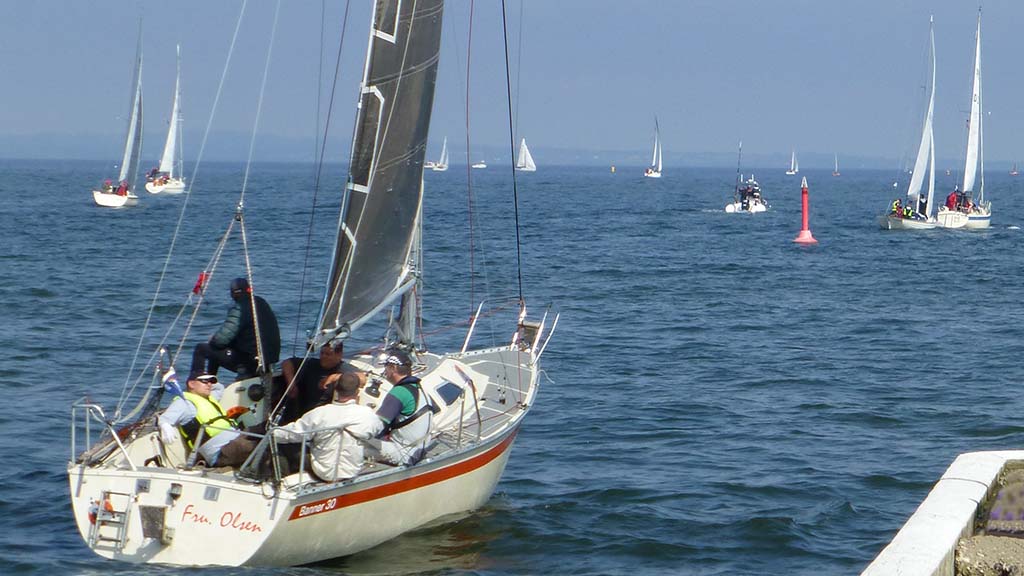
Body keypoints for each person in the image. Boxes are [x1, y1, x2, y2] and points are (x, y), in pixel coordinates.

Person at [271, 372, 382, 482]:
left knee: (281, 443)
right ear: (357, 392)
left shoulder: (319, 413)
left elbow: (291, 434)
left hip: (323, 472)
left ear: (336, 390)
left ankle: (279, 481)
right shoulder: (367, 415)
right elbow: (378, 429)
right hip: (351, 471)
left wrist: (271, 432)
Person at [158, 373, 258, 467]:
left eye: (211, 381)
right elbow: (165, 418)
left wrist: (209, 383)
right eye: (205, 381)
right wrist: (165, 425)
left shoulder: (210, 397)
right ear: (191, 384)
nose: (209, 384)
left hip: (237, 437)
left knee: (266, 427)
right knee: (262, 445)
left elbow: (219, 388)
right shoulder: (184, 403)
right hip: (221, 451)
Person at [191, 277, 280, 380]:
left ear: (233, 294)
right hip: (268, 360)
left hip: (250, 361)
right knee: (216, 351)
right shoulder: (261, 302)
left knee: (202, 349)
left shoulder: (240, 307)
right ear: (249, 289)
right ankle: (211, 380)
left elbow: (221, 340)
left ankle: (199, 383)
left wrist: (213, 340)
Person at [373, 349, 436, 466]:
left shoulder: (399, 392)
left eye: (386, 367)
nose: (384, 371)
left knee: (355, 443)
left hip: (403, 453)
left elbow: (377, 426)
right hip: (419, 449)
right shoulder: (420, 389)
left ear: (393, 368)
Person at [279, 341, 345, 421]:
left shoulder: (343, 368)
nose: (323, 356)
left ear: (339, 355)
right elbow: (287, 363)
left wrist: (333, 377)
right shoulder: (311, 364)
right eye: (322, 353)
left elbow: (362, 377)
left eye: (328, 354)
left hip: (323, 418)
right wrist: (291, 383)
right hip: (302, 415)